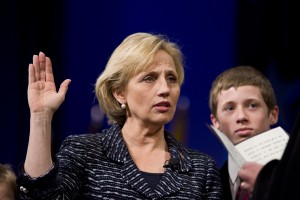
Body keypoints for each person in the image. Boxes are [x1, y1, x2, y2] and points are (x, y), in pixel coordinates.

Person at [17, 32, 223, 199]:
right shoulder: (84, 152)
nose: (165, 89)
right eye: (149, 78)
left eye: (171, 78)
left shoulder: (201, 169)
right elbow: (41, 195)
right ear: (119, 92)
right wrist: (41, 116)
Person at [208, 66, 280, 199]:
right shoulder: (206, 189)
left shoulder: (293, 175)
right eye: (230, 108)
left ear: (272, 114)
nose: (241, 117)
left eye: (252, 105)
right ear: (215, 122)